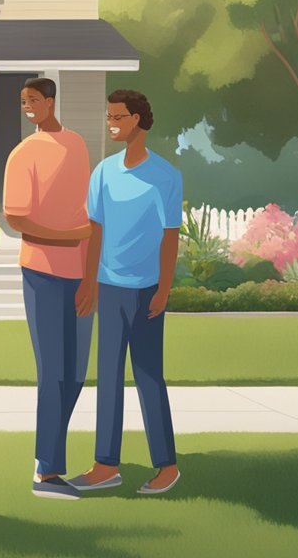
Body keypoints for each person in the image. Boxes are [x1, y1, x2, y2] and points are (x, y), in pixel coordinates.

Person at [71, 90, 182, 495]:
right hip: (109, 287)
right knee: (109, 377)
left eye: (118, 116)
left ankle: (166, 466)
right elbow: (94, 231)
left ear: (138, 120)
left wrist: (164, 289)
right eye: (108, 116)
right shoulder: (103, 172)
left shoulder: (166, 176)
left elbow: (171, 237)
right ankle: (105, 464)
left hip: (148, 290)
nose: (111, 122)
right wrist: (88, 281)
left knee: (149, 375)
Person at [2, 77, 94, 501]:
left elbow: (88, 214)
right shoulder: (22, 155)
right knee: (53, 371)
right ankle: (48, 472)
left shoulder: (76, 144)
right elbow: (17, 219)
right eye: (23, 102)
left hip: (81, 274)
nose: (28, 107)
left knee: (75, 373)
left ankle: (47, 455)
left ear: (51, 101)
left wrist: (91, 273)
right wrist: (67, 237)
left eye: (34, 100)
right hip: (41, 272)